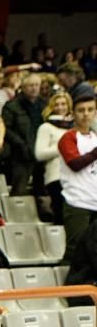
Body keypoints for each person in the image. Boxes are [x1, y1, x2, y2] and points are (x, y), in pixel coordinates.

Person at [57, 94, 97, 263]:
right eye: (81, 110)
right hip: (77, 202)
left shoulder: (95, 137)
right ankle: (67, 289)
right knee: (76, 251)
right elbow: (75, 163)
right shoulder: (69, 137)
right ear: (73, 113)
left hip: (95, 201)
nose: (86, 114)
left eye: (90, 110)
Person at [34, 92, 73, 225]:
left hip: (75, 176)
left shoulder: (75, 127)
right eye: (56, 104)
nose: (60, 107)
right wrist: (63, 148)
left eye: (63, 104)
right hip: (55, 176)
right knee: (60, 215)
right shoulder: (46, 127)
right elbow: (39, 154)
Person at [3, 73, 43, 196]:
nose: (34, 88)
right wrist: (21, 144)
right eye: (31, 85)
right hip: (20, 153)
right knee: (19, 190)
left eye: (37, 85)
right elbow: (7, 130)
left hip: (41, 152)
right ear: (23, 87)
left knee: (41, 189)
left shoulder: (44, 104)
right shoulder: (12, 106)